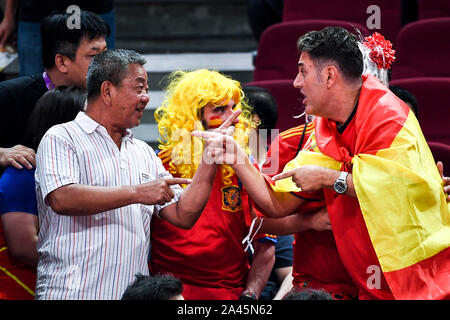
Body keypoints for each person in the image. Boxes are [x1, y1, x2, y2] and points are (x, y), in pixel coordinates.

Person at [196, 27, 450, 300]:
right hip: (334, 282)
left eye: (302, 71)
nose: (295, 82)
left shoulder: (389, 116)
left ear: (330, 76)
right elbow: (271, 208)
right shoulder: (319, 129)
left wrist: (331, 179)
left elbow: (396, 191)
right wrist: (238, 157)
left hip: (413, 280)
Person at [34, 49, 224, 300]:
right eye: (139, 87)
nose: (146, 97)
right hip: (70, 292)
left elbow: (182, 215)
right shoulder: (61, 137)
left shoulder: (143, 152)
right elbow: (61, 198)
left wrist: (210, 159)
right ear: (107, 91)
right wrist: (136, 193)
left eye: (146, 89)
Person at [150, 69, 276, 300]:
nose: (233, 118)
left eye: (233, 108)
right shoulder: (158, 165)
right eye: (219, 109)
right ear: (194, 118)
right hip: (168, 293)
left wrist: (249, 297)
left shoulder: (245, 169)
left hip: (230, 294)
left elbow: (265, 246)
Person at [0, 86, 86, 300]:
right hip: (21, 289)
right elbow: (23, 247)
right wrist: (89, 268)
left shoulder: (83, 170)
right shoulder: (23, 173)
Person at [0, 10, 109, 175]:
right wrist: (2, 153)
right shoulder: (10, 96)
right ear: (62, 62)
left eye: (106, 52)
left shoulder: (105, 99)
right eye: (94, 56)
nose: (106, 64)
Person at [0, 0, 115, 76]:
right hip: (35, 10)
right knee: (32, 80)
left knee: (100, 76)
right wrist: (8, 15)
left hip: (94, 7)